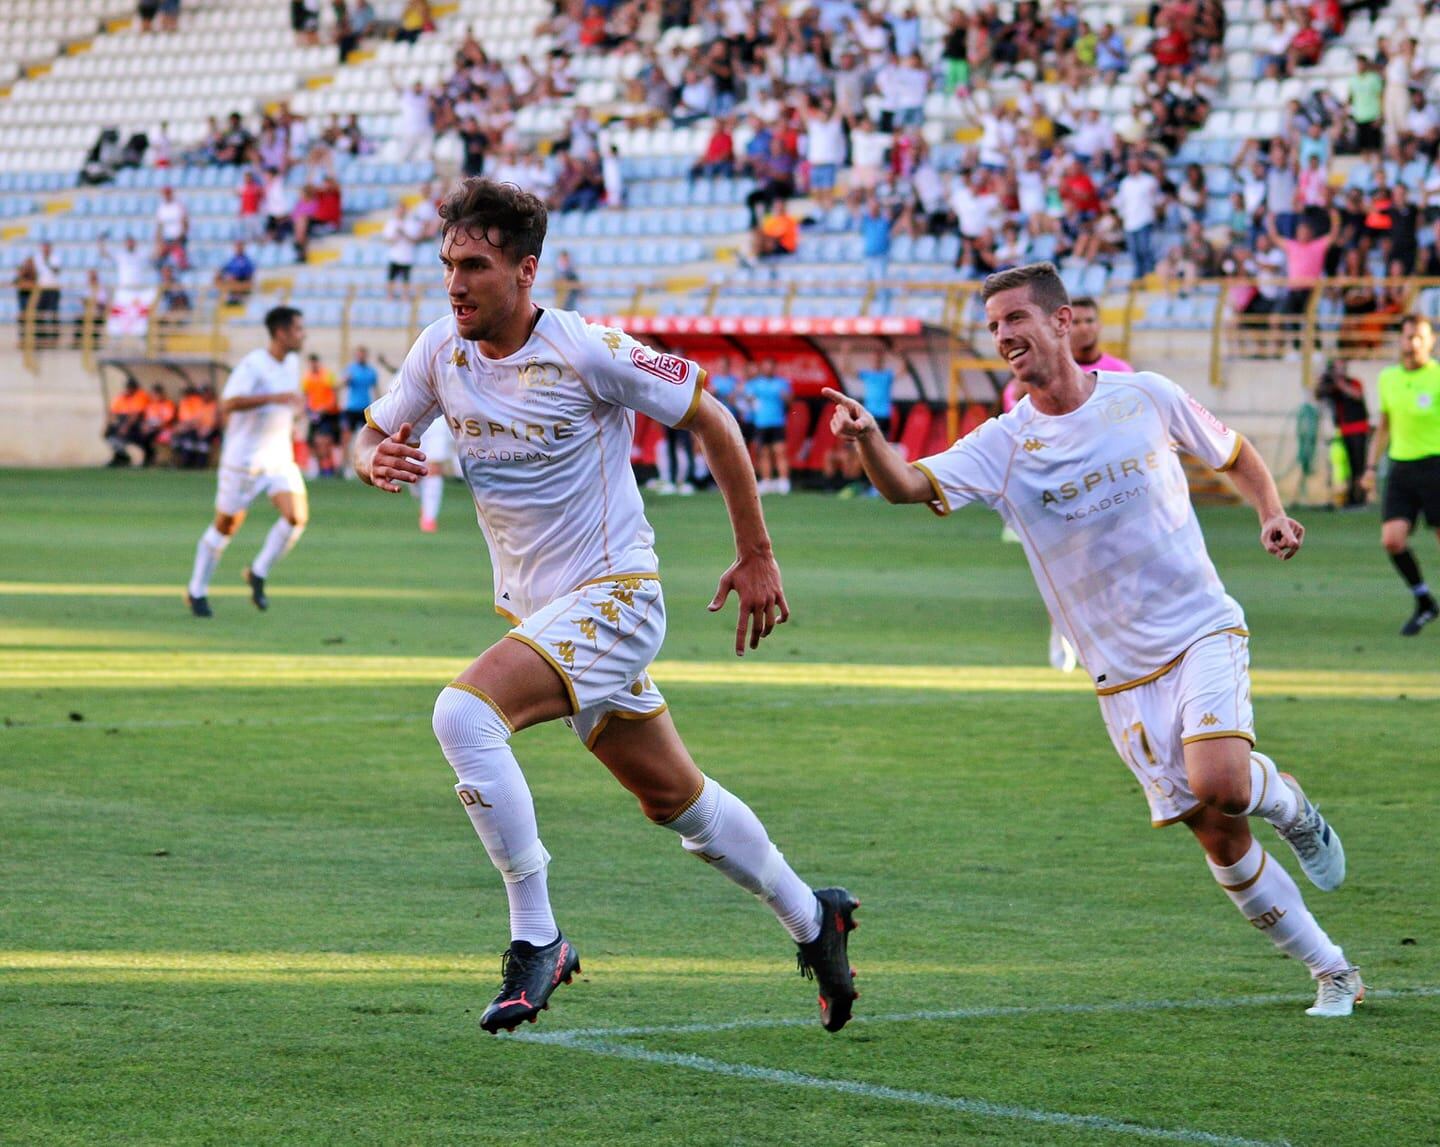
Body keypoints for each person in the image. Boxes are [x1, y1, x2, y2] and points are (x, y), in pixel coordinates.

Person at [351, 179, 858, 1035]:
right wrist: (372, 458)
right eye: (447, 264)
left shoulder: (588, 349)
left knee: (463, 716)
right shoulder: (440, 350)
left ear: (525, 270)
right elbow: (374, 430)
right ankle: (816, 918)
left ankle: (536, 938)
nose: (455, 282)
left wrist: (756, 554)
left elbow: (716, 419)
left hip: (616, 598)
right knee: (676, 802)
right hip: (542, 618)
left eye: (474, 264)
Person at [824, 262, 1361, 1018]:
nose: (1005, 336)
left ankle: (1294, 808)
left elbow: (1233, 452)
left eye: (1016, 319)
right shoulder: (1003, 441)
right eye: (994, 327)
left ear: (1063, 322)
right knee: (1216, 835)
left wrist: (1268, 510)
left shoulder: (1144, 395)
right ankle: (1332, 969)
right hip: (1120, 675)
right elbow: (907, 485)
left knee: (1225, 785)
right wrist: (870, 440)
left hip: (1200, 625)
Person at [185, 306, 309, 617]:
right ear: (280, 333)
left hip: (279, 458)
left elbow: (287, 401)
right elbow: (229, 403)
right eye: (297, 329)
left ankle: (258, 572)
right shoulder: (253, 365)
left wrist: (295, 412)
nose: (302, 335)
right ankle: (196, 590)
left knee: (296, 517)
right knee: (225, 528)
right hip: (244, 462)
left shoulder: (293, 362)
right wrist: (273, 398)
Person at [1363, 314, 1440, 635]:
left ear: (1431, 341)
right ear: (1401, 340)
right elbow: (1384, 426)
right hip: (1401, 468)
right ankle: (1424, 600)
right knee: (1392, 540)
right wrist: (1369, 468)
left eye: (1420, 338)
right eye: (1408, 337)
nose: (1413, 344)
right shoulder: (1388, 378)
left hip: (1436, 465)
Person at [1314, 359, 1370, 509]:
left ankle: (1360, 498)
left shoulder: (1353, 383)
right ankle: (1350, 497)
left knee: (1359, 466)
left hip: (1358, 429)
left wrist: (1340, 384)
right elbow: (1319, 395)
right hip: (1344, 430)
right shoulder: (1333, 388)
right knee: (1348, 467)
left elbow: (1356, 394)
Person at [745, 358, 793, 495]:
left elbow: (790, 401)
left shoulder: (781, 383)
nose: (769, 369)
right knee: (764, 453)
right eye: (766, 366)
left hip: (777, 422)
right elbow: (747, 397)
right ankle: (767, 481)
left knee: (780, 451)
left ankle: (784, 481)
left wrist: (786, 397)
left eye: (771, 366)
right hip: (761, 423)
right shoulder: (755, 383)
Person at [339, 345, 377, 466]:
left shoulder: (371, 371)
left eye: (363, 354)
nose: (361, 356)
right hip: (351, 408)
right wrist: (346, 380)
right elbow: (340, 385)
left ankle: (365, 464)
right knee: (346, 439)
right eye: (359, 354)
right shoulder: (350, 369)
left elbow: (376, 390)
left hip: (365, 409)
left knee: (367, 439)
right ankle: (345, 466)